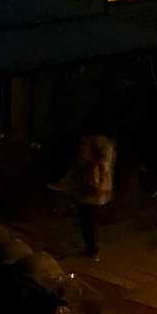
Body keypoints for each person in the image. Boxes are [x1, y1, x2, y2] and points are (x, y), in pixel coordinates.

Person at [61, 111, 117, 259]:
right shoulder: (109, 142)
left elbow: (82, 161)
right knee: (92, 217)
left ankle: (92, 249)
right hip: (102, 185)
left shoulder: (88, 140)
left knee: (85, 218)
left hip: (88, 184)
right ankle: (93, 248)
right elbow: (108, 163)